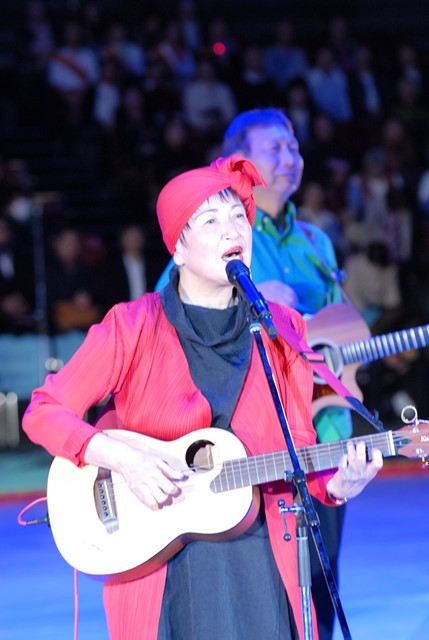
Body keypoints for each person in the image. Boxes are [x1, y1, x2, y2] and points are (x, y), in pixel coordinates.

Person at [22, 156, 382, 640]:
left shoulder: (281, 327)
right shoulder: (132, 326)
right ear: (178, 248)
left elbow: (299, 448)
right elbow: (44, 411)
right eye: (210, 221)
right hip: (159, 564)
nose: (232, 230)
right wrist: (124, 459)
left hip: (261, 561)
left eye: (238, 216)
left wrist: (339, 484)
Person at [155, 108, 356, 640]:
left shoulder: (315, 240)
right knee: (267, 588)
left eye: (294, 146)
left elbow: (338, 329)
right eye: (275, 148)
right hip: (252, 444)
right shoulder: (211, 234)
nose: (290, 157)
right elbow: (167, 310)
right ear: (239, 160)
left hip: (324, 430)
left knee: (322, 583)